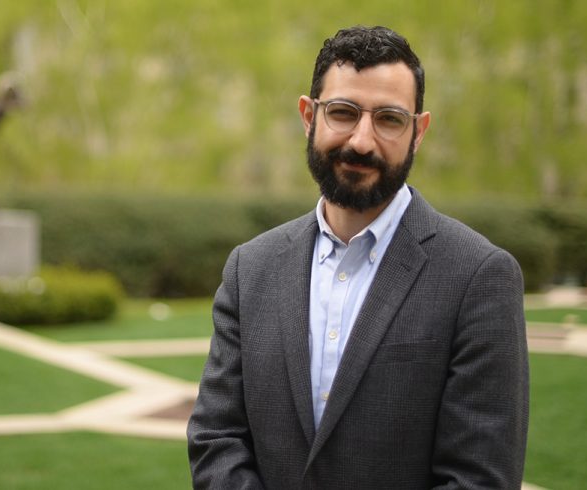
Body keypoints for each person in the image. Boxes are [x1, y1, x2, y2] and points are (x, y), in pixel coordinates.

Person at [187, 25, 529, 489]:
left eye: (389, 119)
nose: (362, 141)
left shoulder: (479, 277)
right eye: (343, 112)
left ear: (418, 131)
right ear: (309, 116)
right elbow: (216, 438)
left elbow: (479, 479)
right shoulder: (251, 269)